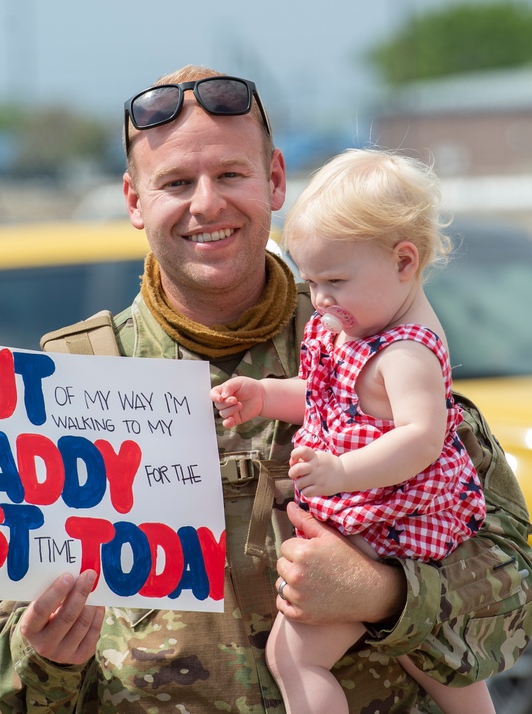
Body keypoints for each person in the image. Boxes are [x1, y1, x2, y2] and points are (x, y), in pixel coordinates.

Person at [0, 65, 532, 714]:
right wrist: (42, 654)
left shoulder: (368, 354)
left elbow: (515, 595)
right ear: (134, 201)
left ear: (276, 179)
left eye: (231, 174)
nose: (206, 204)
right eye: (175, 182)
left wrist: (382, 594)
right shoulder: (64, 392)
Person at [210, 148, 494, 714]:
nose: (319, 301)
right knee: (427, 649)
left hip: (398, 517)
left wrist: (341, 471)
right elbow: (324, 398)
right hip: (382, 513)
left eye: (335, 280)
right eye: (311, 281)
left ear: (404, 262)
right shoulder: (358, 324)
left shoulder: (405, 350)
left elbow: (421, 438)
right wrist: (266, 395)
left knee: (294, 656)